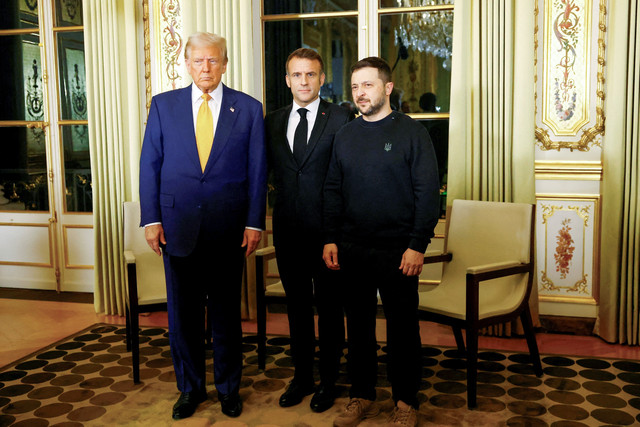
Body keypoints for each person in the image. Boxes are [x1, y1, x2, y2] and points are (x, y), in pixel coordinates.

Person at [139, 32, 266, 420]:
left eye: (213, 61)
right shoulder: (163, 106)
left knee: (227, 317)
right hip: (177, 228)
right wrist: (152, 219)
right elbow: (150, 165)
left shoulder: (248, 108)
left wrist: (254, 223)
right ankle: (189, 389)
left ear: (225, 64)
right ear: (187, 64)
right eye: (198, 61)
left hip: (229, 230)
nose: (206, 68)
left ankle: (229, 389)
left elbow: (257, 171)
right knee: (184, 319)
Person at [323, 57, 440, 427]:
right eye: (355, 86)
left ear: (387, 88)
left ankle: (406, 402)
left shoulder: (412, 133)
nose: (360, 93)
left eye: (368, 85)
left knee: (403, 330)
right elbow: (332, 191)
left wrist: (418, 245)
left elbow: (428, 194)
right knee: (357, 328)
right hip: (353, 248)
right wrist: (331, 238)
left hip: (399, 250)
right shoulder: (345, 135)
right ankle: (362, 396)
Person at [265, 48, 349, 413]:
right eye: (297, 75)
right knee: (296, 309)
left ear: (321, 78)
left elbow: (349, 177)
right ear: (287, 80)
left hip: (329, 234)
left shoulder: (343, 117)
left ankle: (329, 382)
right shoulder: (272, 121)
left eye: (311, 75)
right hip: (287, 231)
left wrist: (339, 232)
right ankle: (302, 378)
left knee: (330, 310)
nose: (304, 81)